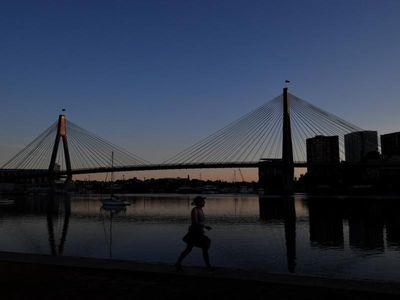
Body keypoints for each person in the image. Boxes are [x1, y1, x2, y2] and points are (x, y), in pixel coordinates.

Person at [175, 196, 214, 272]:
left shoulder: (200, 209)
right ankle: (208, 267)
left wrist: (203, 227)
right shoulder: (195, 210)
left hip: (199, 232)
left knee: (190, 249)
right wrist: (205, 226)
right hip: (194, 233)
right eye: (203, 201)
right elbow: (194, 222)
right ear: (199, 202)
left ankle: (178, 263)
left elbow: (200, 221)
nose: (204, 202)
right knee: (204, 246)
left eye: (204, 201)